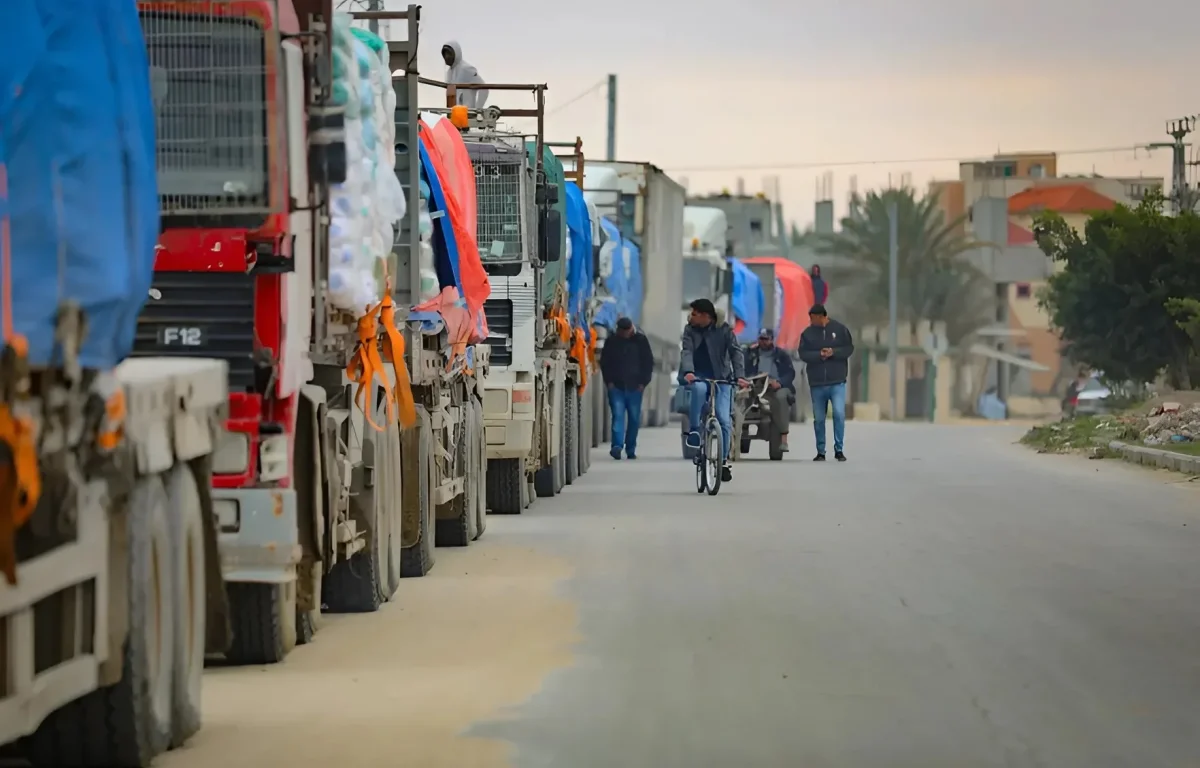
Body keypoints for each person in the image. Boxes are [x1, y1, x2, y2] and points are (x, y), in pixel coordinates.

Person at [681, 298, 747, 481]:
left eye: (694, 314)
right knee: (699, 391)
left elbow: (736, 352)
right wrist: (688, 371)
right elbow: (686, 351)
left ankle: (723, 461)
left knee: (724, 420)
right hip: (697, 375)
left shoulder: (724, 330)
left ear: (705, 316)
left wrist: (739, 375)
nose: (690, 317)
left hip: (722, 378)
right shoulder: (689, 330)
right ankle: (694, 430)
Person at [798, 304, 853, 462]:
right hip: (817, 382)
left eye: (813, 318)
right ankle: (820, 450)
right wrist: (818, 355)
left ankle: (839, 449)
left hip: (837, 381)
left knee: (838, 413)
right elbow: (803, 353)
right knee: (819, 418)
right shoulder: (807, 334)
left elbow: (849, 348)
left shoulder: (840, 330)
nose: (811, 321)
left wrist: (833, 352)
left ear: (822, 316)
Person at [600, 317, 654, 459]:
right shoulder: (612, 341)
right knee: (617, 416)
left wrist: (643, 383)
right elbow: (604, 362)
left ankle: (630, 448)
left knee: (634, 419)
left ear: (631, 329)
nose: (623, 334)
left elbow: (648, 363)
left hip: (635, 387)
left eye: (626, 331)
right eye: (621, 331)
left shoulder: (641, 341)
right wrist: (609, 382)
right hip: (616, 386)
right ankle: (617, 446)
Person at [744, 328, 796, 452]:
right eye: (761, 339)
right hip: (755, 386)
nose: (763, 342)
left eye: (765, 339)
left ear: (772, 340)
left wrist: (780, 382)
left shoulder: (781, 355)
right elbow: (743, 369)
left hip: (776, 387)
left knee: (781, 398)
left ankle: (783, 438)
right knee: (739, 398)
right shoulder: (750, 353)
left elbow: (790, 373)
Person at [441, 41, 488, 109]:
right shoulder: (449, 72)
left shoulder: (466, 69)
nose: (446, 57)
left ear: (456, 53)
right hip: (453, 113)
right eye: (444, 54)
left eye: (449, 54)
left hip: (468, 114)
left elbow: (484, 89)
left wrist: (477, 109)